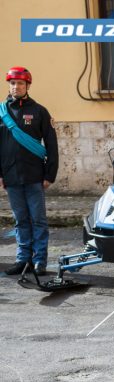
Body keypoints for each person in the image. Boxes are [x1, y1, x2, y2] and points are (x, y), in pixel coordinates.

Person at [0, 66, 58, 276]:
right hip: (11, 176)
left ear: (27, 86)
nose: (16, 87)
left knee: (38, 220)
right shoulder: (2, 112)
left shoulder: (39, 111)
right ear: (9, 85)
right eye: (13, 83)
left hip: (35, 175)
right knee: (21, 220)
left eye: (21, 83)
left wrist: (49, 175)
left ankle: (39, 261)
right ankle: (23, 259)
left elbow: (51, 144)